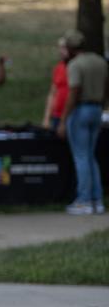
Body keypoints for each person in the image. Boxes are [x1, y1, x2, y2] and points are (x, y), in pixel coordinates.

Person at [56, 30, 107, 215]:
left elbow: (73, 92)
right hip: (96, 110)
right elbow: (106, 86)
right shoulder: (100, 61)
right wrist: (102, 108)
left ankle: (84, 200)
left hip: (81, 110)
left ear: (70, 48)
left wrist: (63, 120)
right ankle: (97, 200)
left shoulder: (76, 65)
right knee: (91, 156)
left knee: (81, 156)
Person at [43, 38, 70, 132]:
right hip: (57, 116)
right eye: (60, 48)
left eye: (64, 48)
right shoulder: (58, 68)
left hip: (72, 116)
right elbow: (52, 94)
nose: (61, 51)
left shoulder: (77, 68)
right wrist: (47, 118)